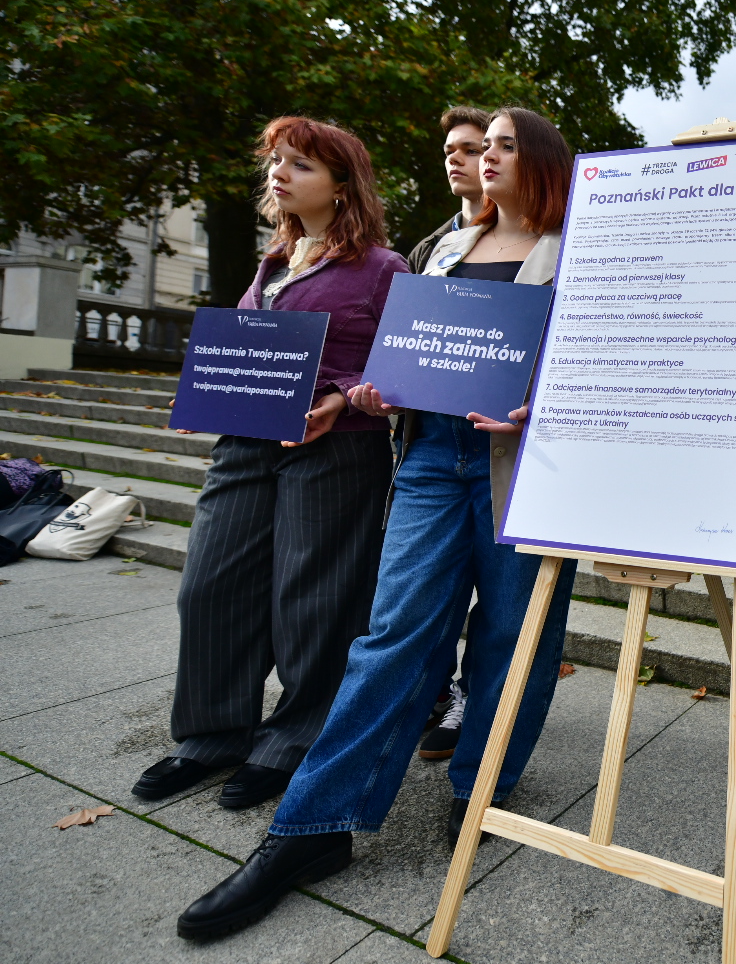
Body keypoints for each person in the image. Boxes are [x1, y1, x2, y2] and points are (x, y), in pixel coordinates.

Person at [176, 107, 581, 941]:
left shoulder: (579, 253)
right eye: (483, 145)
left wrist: (543, 406)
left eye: (505, 144)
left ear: (538, 160)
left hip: (529, 467)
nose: (486, 156)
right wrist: (375, 390)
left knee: (512, 633)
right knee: (393, 633)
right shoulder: (440, 252)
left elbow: (602, 365)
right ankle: (312, 825)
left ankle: (479, 788)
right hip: (434, 459)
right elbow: (407, 358)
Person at [133, 118, 407, 810]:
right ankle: (212, 736)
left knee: (312, 601)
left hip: (335, 446)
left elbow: (400, 367)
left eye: (301, 166)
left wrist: (345, 397)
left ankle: (293, 740)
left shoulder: (383, 267)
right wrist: (211, 382)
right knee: (210, 585)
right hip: (246, 442)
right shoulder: (273, 259)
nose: (279, 174)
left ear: (343, 185)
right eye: (277, 163)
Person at [408, 104, 495, 762]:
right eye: (452, 150)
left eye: (472, 147)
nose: (458, 158)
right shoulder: (428, 251)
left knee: (494, 601)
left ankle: (473, 698)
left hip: (498, 446)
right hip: (433, 442)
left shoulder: (542, 244)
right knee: (419, 595)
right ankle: (431, 692)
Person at [405, 105, 491, 276]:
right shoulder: (426, 251)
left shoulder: (530, 242)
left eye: (471, 151)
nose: (453, 158)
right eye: (449, 152)